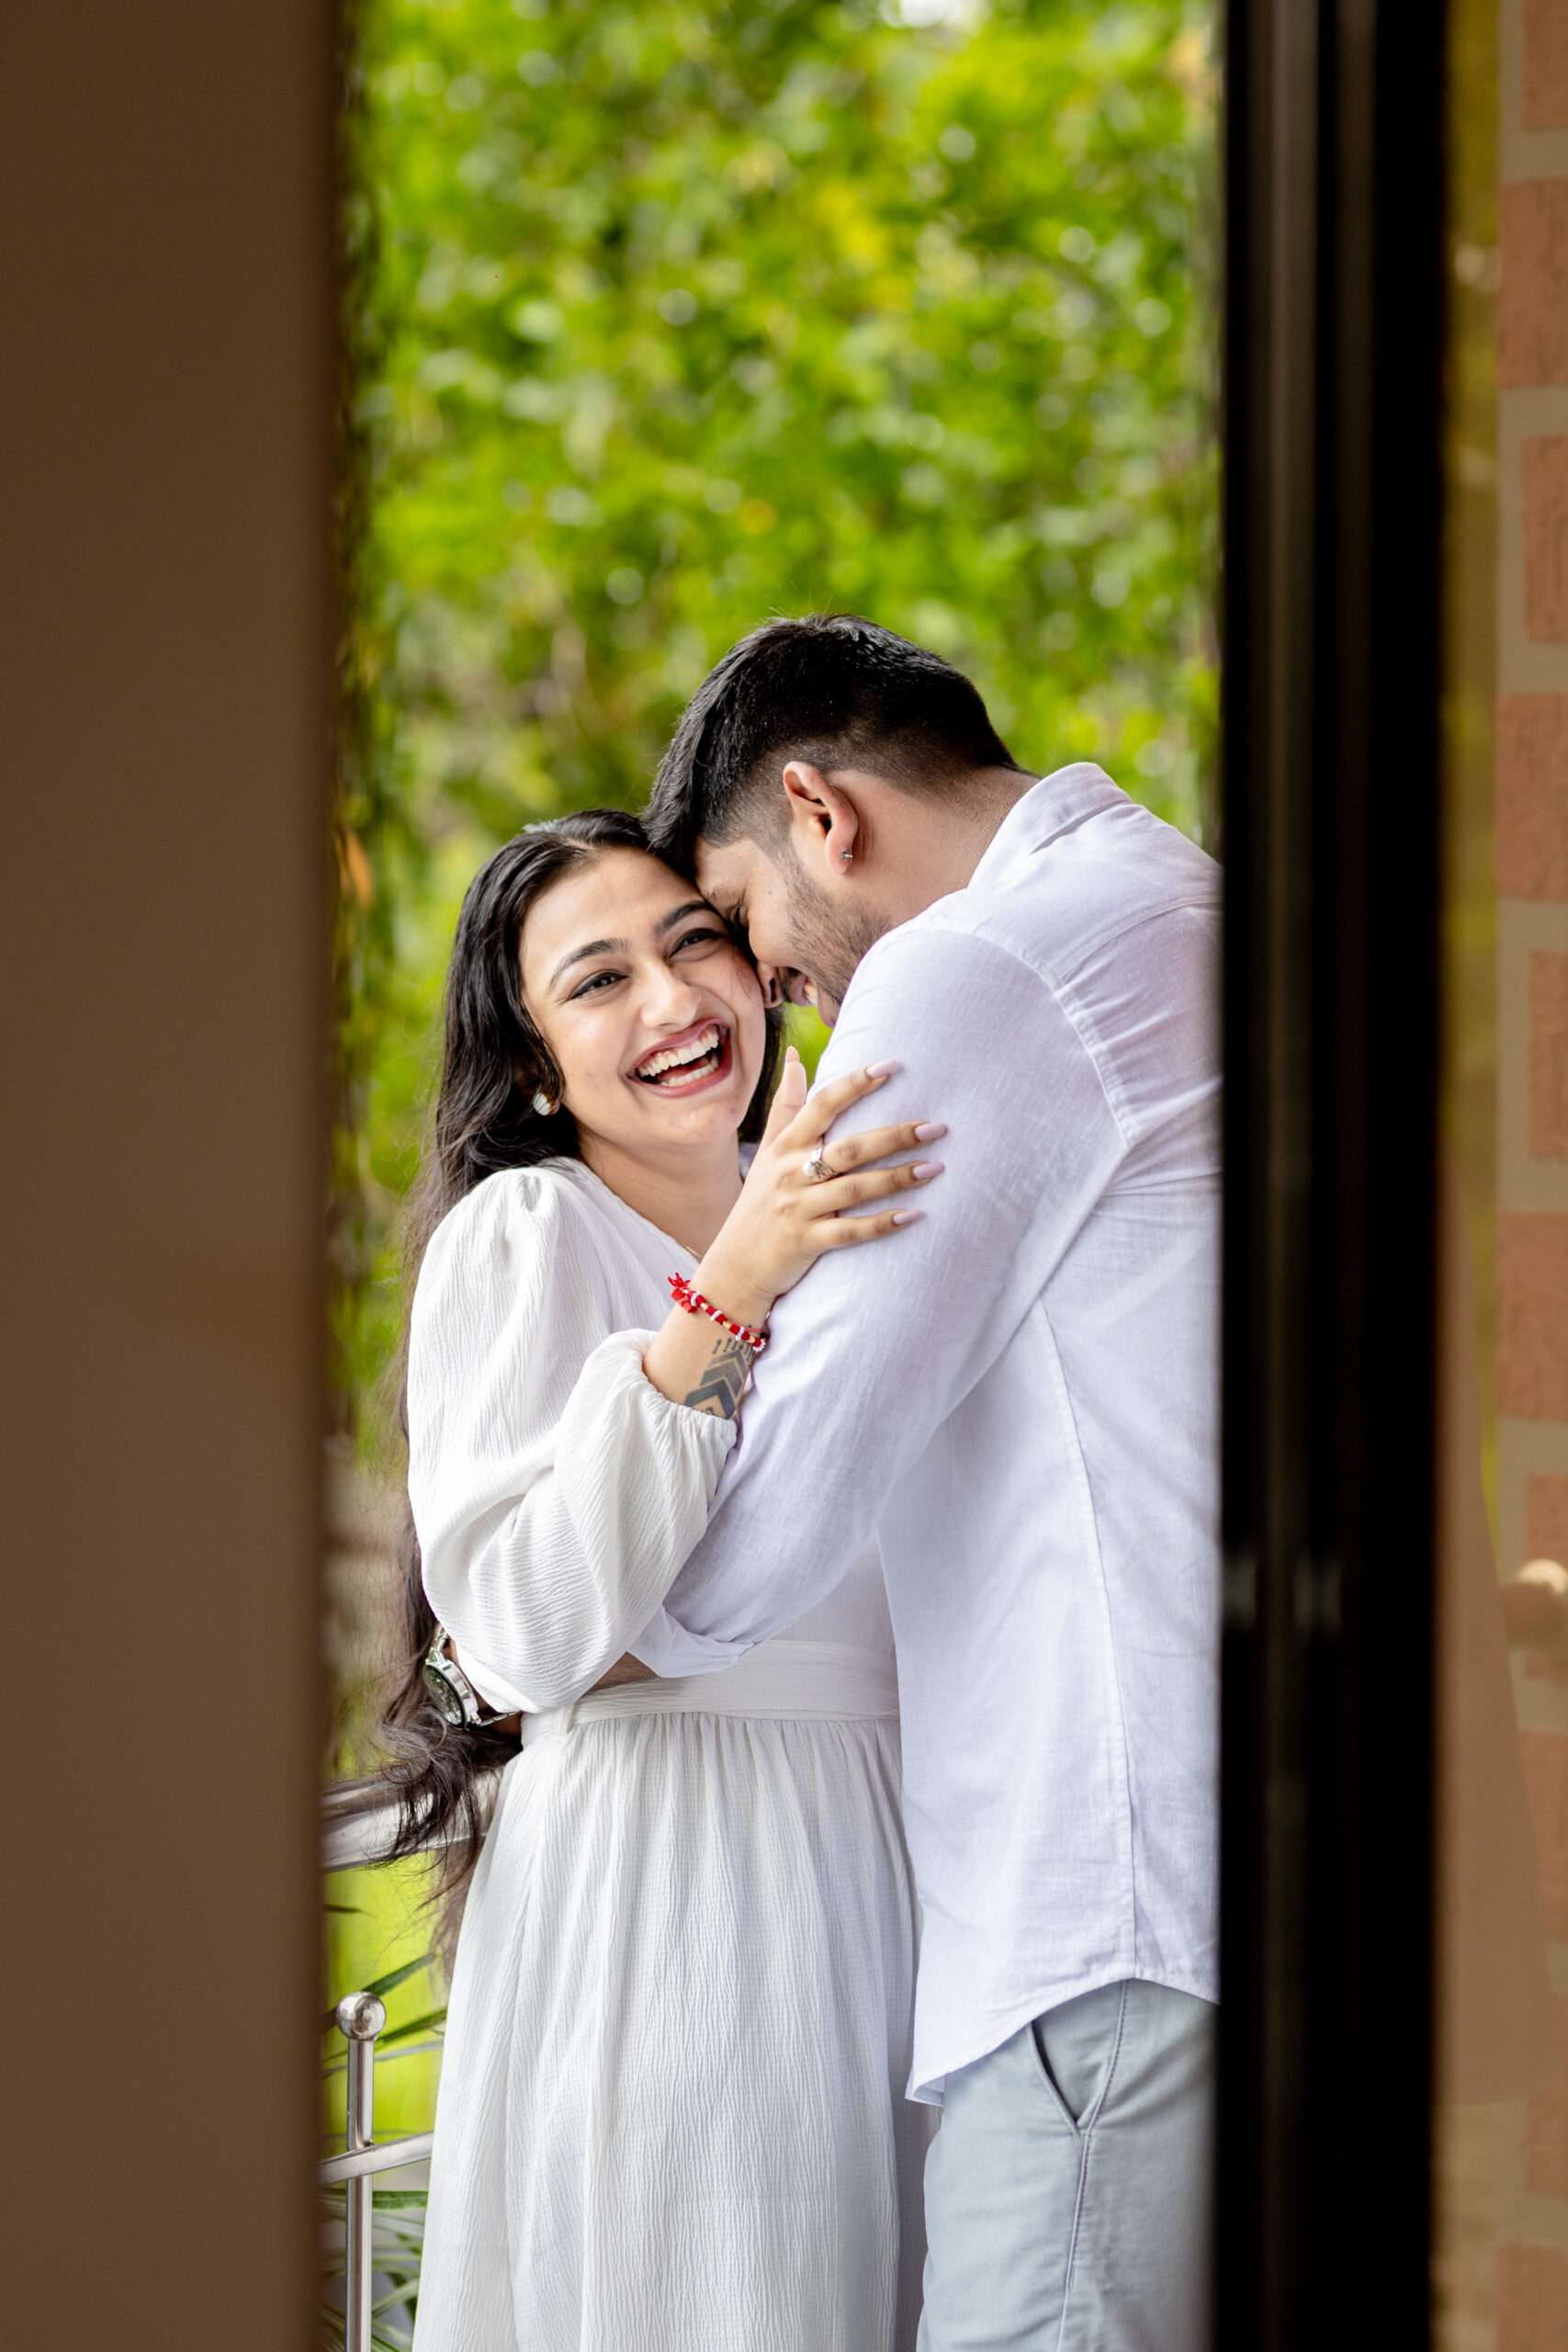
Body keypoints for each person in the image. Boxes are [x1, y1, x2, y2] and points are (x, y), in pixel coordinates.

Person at [615, 615, 1224, 2352]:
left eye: (737, 921)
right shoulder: (1192, 907)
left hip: (1104, 1922)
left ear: (822, 813)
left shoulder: (976, 972)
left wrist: (562, 1616)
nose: (760, 991)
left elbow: (765, 1527)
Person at [386, 808, 942, 2352]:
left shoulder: (841, 1192)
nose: (674, 998)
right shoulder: (527, 1231)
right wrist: (735, 1284)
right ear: (531, 1066)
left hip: (898, 1857)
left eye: (696, 942)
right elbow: (526, 1629)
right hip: (677, 1879)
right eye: (599, 979)